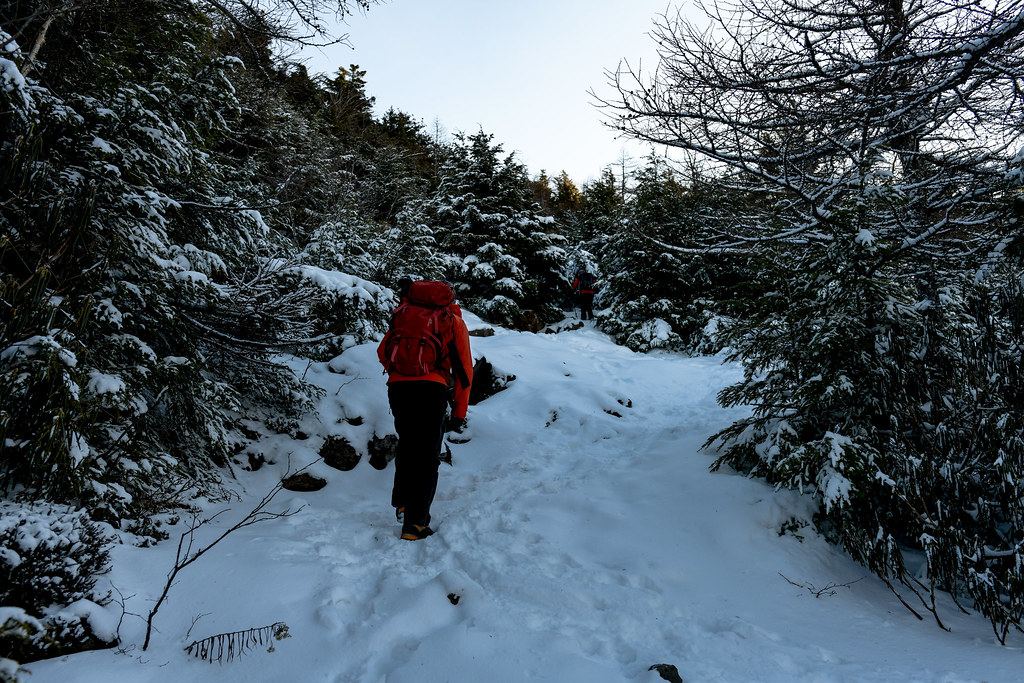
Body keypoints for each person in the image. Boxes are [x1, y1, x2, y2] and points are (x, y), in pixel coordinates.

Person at [377, 279, 473, 541]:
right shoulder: (451, 320)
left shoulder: (404, 314)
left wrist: (401, 371)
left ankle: (403, 504)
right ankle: (415, 524)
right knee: (427, 455)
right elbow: (464, 369)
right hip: (432, 390)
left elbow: (382, 351)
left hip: (398, 389)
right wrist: (459, 411)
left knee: (408, 445)